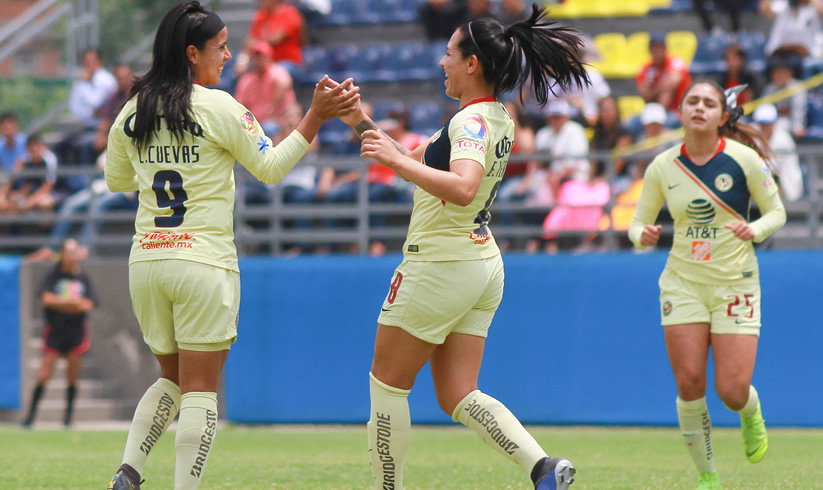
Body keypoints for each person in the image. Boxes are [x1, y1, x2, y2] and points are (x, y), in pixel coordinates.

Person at [103, 2, 359, 489]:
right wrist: (315, 116)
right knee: (201, 389)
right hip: (203, 261)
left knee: (173, 378)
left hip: (148, 260)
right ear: (192, 53)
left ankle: (129, 473)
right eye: (220, 48)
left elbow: (116, 179)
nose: (228, 56)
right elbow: (272, 168)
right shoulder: (220, 106)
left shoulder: (132, 109)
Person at [337, 4, 589, 488]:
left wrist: (394, 157)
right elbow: (409, 161)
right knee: (457, 392)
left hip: (440, 263)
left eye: (450, 53)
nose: (441, 62)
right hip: (479, 262)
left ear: (472, 63)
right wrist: (359, 120)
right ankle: (543, 467)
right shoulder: (492, 115)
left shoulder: (469, 123)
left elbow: (462, 185)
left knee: (386, 383)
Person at [628, 80, 787, 490]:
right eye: (692, 101)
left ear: (722, 115)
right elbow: (635, 222)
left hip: (736, 283)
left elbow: (777, 213)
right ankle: (708, 475)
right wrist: (640, 236)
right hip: (682, 283)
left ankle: (750, 411)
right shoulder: (662, 165)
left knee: (731, 391)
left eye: (709, 103)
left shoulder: (745, 159)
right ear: (680, 111)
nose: (699, 107)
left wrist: (753, 229)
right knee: (689, 383)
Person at [21, 238, 94, 428]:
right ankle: (30, 418)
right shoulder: (52, 276)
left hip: (76, 331)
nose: (72, 255)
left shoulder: (83, 278)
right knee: (44, 374)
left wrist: (63, 303)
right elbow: (47, 300)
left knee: (72, 375)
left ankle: (68, 419)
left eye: (74, 251)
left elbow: (88, 304)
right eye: (68, 251)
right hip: (55, 331)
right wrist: (73, 304)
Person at [234, 40, 297, 135]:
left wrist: (272, 108)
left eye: (261, 57)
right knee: (239, 128)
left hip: (277, 121)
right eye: (256, 57)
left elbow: (284, 83)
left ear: (269, 57)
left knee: (269, 127)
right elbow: (240, 107)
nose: (259, 60)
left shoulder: (277, 72)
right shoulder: (246, 80)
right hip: (254, 123)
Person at [753, 103, 804, 201]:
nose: (765, 127)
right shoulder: (754, 137)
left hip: (784, 184)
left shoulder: (783, 139)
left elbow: (774, 167)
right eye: (762, 124)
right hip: (762, 183)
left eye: (768, 124)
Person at [760, 0, 823, 77]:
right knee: (771, 63)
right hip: (781, 51)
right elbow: (765, 10)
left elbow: (821, 9)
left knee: (795, 63)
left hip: (804, 52)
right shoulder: (783, 8)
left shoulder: (811, 10)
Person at [635, 33, 692, 114]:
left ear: (665, 49)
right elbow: (643, 92)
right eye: (654, 48)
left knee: (666, 92)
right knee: (631, 123)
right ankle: (656, 116)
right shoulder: (646, 68)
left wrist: (653, 91)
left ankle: (658, 115)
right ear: (649, 50)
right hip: (651, 113)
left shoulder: (675, 62)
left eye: (659, 48)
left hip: (677, 111)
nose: (657, 52)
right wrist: (660, 87)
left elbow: (673, 81)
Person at [245, 0, 304, 77]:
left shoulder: (289, 12)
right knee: (240, 73)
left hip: (287, 62)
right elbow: (248, 41)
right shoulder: (261, 15)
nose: (259, 2)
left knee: (274, 75)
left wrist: (256, 41)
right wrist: (243, 61)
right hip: (261, 63)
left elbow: (275, 39)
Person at [763, 59, 808, 140]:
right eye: (777, 74)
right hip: (773, 121)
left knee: (779, 127)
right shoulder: (770, 89)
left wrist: (798, 127)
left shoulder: (797, 88)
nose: (780, 77)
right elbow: (765, 109)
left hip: (790, 121)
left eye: (783, 74)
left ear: (790, 74)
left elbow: (798, 109)